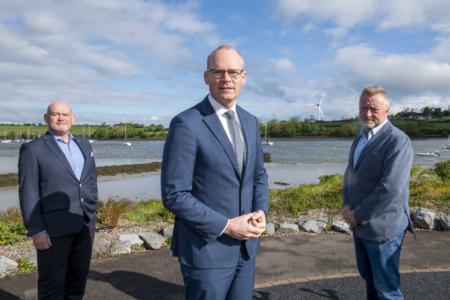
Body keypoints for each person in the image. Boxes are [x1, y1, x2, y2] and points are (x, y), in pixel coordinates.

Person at [161, 45, 268, 300]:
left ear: (244, 77)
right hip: (207, 252)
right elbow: (175, 194)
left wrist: (262, 211)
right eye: (218, 71)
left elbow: (258, 176)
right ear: (206, 77)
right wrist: (228, 226)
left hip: (247, 249)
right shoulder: (186, 123)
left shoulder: (251, 122)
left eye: (233, 72)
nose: (226, 79)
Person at [19, 101, 98, 299]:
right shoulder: (33, 149)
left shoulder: (84, 144)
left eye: (65, 114)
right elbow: (28, 192)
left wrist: (93, 207)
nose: (61, 118)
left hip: (84, 224)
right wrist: (37, 230)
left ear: (73, 118)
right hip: (53, 229)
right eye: (55, 114)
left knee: (77, 280)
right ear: (47, 118)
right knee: (52, 285)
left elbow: (90, 180)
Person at [342, 85, 414, 300]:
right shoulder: (360, 137)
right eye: (364, 108)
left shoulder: (398, 141)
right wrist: (346, 204)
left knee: (387, 289)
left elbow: (391, 187)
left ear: (387, 110)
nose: (368, 113)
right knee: (370, 281)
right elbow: (350, 174)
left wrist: (357, 214)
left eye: (374, 108)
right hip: (360, 226)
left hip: (384, 230)